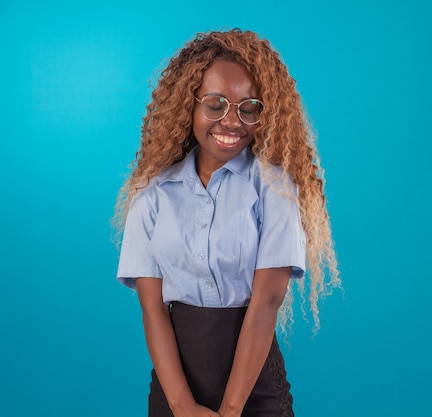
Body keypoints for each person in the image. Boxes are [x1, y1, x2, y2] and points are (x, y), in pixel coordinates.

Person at [113, 28, 340, 417]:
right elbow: (152, 309)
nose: (231, 122)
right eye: (215, 104)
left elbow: (266, 303)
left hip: (252, 390)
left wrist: (231, 411)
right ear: (189, 104)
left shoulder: (274, 190)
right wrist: (183, 407)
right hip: (174, 390)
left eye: (247, 107)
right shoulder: (153, 193)